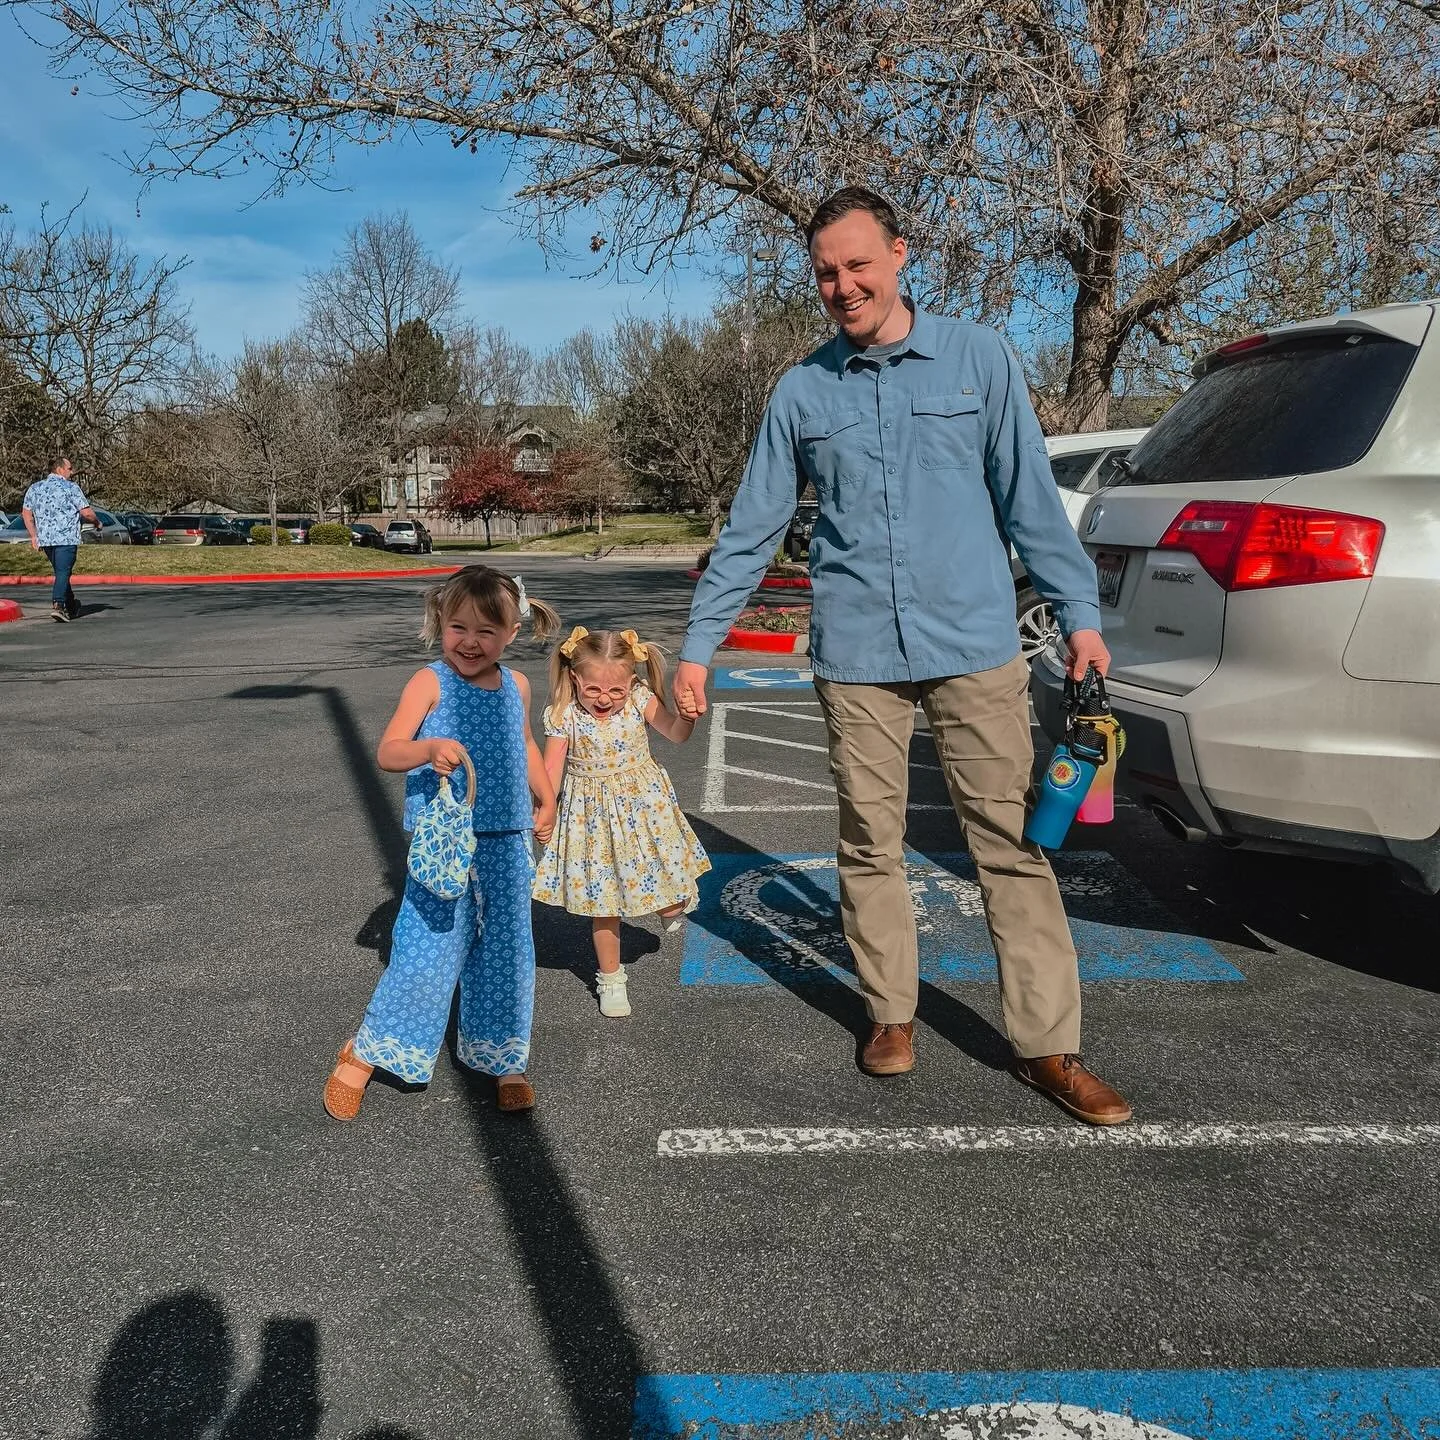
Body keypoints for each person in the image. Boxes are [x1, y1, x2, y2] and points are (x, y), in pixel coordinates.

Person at [674, 186, 1133, 1126]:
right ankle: (891, 1013)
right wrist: (698, 646)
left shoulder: (978, 357)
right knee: (867, 844)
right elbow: (753, 527)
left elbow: (1029, 499)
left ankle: (1048, 1046)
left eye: (858, 265)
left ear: (899, 254)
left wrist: (1078, 612)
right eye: (826, 273)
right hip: (856, 656)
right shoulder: (802, 391)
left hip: (975, 645)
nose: (843, 286)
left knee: (1010, 847)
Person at [323, 567, 560, 1120]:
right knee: (425, 951)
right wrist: (428, 749)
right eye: (458, 628)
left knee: (506, 950)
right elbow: (388, 751)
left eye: (486, 631)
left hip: (506, 839)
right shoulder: (429, 682)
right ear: (440, 623)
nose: (470, 642)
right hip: (446, 842)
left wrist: (546, 797)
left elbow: (525, 744)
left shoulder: (517, 686)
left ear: (511, 633)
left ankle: (502, 1056)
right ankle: (367, 1051)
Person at [533, 626, 711, 1018]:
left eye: (616, 690)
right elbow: (550, 771)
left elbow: (676, 734)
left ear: (630, 682)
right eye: (593, 689)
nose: (604, 699)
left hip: (645, 808)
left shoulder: (639, 699)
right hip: (589, 817)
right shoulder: (563, 714)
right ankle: (611, 978)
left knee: (662, 877)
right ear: (574, 678)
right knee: (604, 901)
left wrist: (688, 716)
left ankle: (672, 903)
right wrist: (545, 809)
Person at [21, 457, 97, 622]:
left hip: (46, 540)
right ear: (60, 469)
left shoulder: (35, 488)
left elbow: (26, 514)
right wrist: (97, 522)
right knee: (63, 572)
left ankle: (71, 605)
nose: (72, 472)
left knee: (62, 572)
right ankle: (58, 605)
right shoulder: (71, 487)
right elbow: (86, 513)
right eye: (70, 468)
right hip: (66, 538)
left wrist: (34, 535)